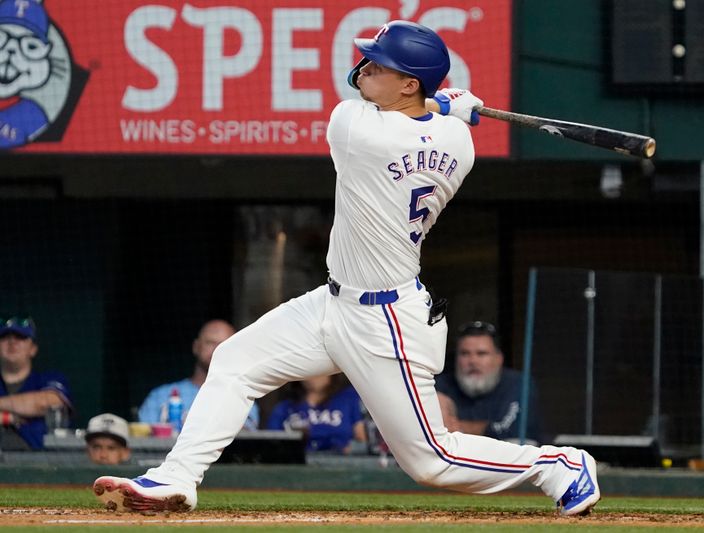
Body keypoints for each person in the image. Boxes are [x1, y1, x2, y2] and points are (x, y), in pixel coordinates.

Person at [93, 20, 600, 517]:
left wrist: (446, 103)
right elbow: (429, 123)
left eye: (379, 65)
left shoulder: (356, 129)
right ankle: (176, 477)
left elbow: (380, 113)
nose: (363, 70)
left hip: (387, 320)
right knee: (233, 362)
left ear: (409, 83)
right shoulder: (459, 143)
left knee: (432, 461)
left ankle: (560, 465)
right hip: (332, 302)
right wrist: (451, 108)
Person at [137, 320, 259, 431]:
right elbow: (144, 444)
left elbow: (246, 442)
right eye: (210, 343)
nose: (217, 349)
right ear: (196, 347)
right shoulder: (161, 396)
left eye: (225, 344)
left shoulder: (243, 398)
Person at [435, 321, 538, 442]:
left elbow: (513, 432)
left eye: (481, 354)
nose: (473, 361)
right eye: (465, 354)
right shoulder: (440, 385)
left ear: (499, 358)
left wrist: (459, 427)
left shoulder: (518, 384)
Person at [0, 315, 72, 450]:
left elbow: (47, 403)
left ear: (33, 349)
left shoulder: (49, 378)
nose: (12, 342)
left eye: (20, 337)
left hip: (41, 464)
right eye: (5, 337)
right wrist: (9, 417)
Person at [267, 374, 367, 454]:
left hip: (340, 464)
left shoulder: (348, 398)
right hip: (298, 465)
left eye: (319, 368)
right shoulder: (285, 408)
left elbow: (362, 439)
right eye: (308, 368)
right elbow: (271, 445)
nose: (313, 374)